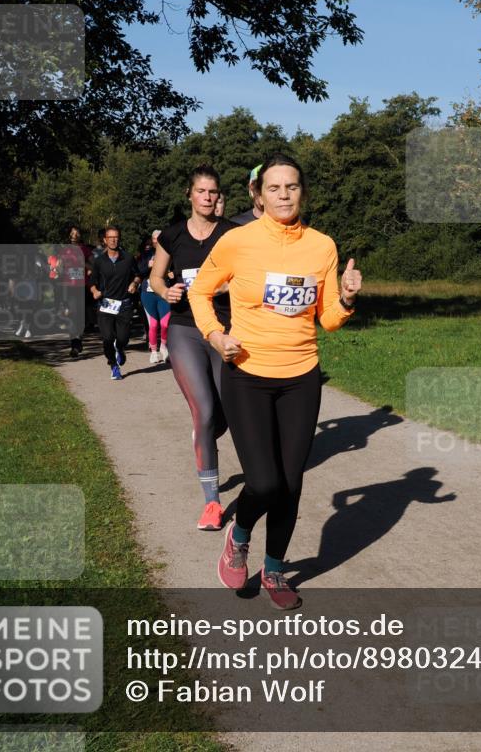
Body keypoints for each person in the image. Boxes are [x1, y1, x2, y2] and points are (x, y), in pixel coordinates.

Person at [188, 153, 362, 610]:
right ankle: (239, 535)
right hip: (247, 373)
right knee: (263, 482)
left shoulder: (322, 245)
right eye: (274, 188)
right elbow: (199, 291)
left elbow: (327, 320)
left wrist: (344, 299)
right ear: (257, 193)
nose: (283, 195)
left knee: (290, 482)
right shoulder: (237, 241)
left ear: (302, 191)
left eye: (291, 187)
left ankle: (276, 569)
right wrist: (214, 334)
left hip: (301, 377)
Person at [150, 165, 238, 531]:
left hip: (223, 330)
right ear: (189, 195)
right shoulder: (171, 236)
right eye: (201, 191)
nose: (207, 197)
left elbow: (251, 276)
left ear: (219, 197)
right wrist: (164, 291)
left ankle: (206, 433)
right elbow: (156, 275)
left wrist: (230, 288)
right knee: (202, 411)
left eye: (213, 192)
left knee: (228, 410)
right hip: (185, 329)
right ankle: (212, 503)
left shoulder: (234, 234)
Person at [89, 225, 142, 380]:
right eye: (110, 237)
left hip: (124, 304)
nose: (113, 240)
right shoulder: (99, 261)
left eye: (116, 237)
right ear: (105, 240)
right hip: (105, 305)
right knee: (107, 338)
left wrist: (135, 283)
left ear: (119, 238)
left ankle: (120, 348)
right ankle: (113, 365)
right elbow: (92, 281)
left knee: (123, 338)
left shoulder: (128, 258)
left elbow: (138, 275)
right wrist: (94, 291)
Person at [59, 226, 94, 357]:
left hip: (82, 286)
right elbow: (60, 268)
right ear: (69, 235)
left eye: (76, 233)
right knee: (72, 314)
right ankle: (75, 343)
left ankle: (79, 337)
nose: (74, 235)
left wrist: (84, 264)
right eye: (72, 233)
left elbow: (92, 266)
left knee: (80, 315)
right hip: (69, 286)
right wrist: (58, 269)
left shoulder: (85, 249)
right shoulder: (64, 250)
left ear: (80, 235)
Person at [138, 229, 171, 365]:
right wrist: (148, 265)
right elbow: (139, 271)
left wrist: (172, 273)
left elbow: (175, 269)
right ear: (152, 241)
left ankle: (163, 347)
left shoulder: (170, 253)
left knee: (165, 324)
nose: (157, 241)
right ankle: (153, 351)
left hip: (163, 292)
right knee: (154, 325)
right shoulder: (146, 255)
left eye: (160, 238)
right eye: (155, 239)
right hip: (148, 293)